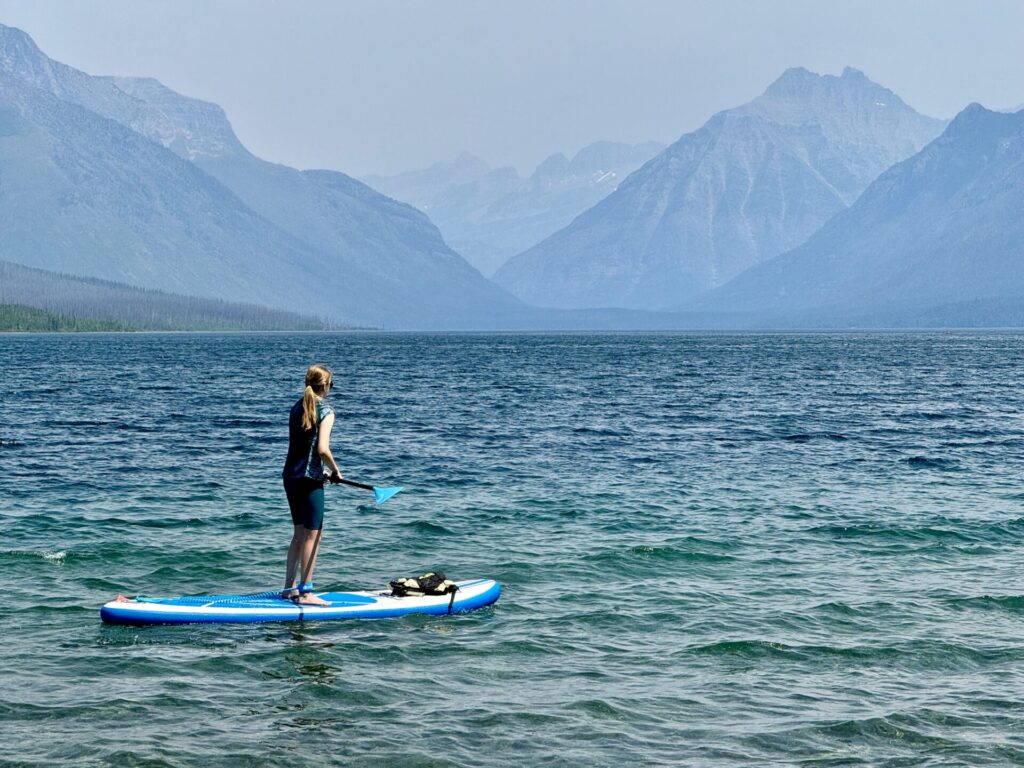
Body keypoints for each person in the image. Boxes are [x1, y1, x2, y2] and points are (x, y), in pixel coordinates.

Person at [281, 364, 343, 605]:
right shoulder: (326, 410)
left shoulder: (296, 407)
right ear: (325, 386)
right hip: (309, 480)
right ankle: (306, 593)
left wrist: (322, 470)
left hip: (290, 476)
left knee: (298, 533)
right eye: (331, 385)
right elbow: (322, 449)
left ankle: (289, 589)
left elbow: (303, 451)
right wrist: (335, 471)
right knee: (313, 535)